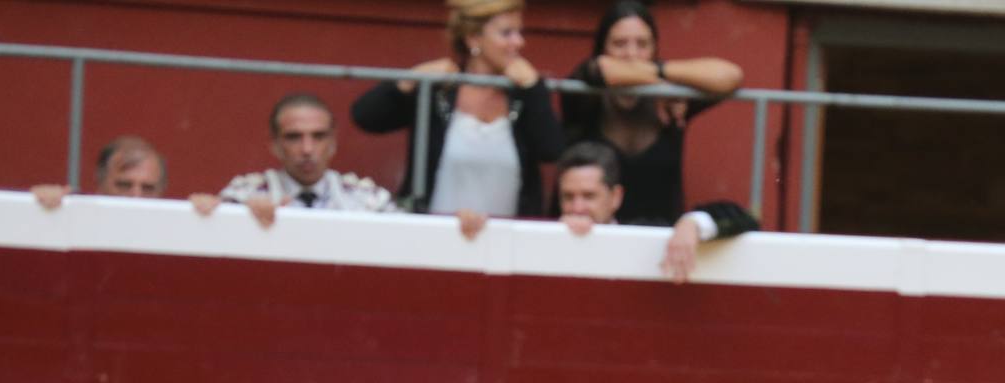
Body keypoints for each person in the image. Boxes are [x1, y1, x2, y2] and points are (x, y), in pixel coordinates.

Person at [350, 0, 566, 221]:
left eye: (519, 32)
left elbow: (551, 150)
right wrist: (412, 79)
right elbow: (365, 117)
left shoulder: (523, 95)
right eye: (506, 33)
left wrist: (533, 89)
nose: (519, 42)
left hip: (506, 242)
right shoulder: (440, 91)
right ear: (473, 38)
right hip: (434, 236)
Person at [558, 0, 743, 227]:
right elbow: (601, 70)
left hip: (660, 241)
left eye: (642, 44)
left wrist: (661, 74)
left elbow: (730, 76)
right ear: (602, 47)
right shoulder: (586, 93)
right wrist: (661, 81)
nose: (631, 54)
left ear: (655, 48)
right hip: (588, 236)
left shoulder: (670, 100)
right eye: (619, 43)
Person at [555, 140, 757, 283]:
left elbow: (746, 218)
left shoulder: (644, 234)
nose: (577, 208)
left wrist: (692, 224)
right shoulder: (544, 235)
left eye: (589, 196)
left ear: (615, 197)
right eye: (568, 197)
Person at [192, 94, 394, 229]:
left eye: (318, 136)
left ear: (332, 142)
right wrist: (240, 217)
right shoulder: (245, 195)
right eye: (294, 137)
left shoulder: (368, 199)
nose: (307, 149)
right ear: (275, 144)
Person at [30, 135, 166, 209]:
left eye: (148, 188)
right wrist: (39, 207)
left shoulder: (169, 230)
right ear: (101, 182)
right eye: (124, 185)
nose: (136, 196)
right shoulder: (76, 217)